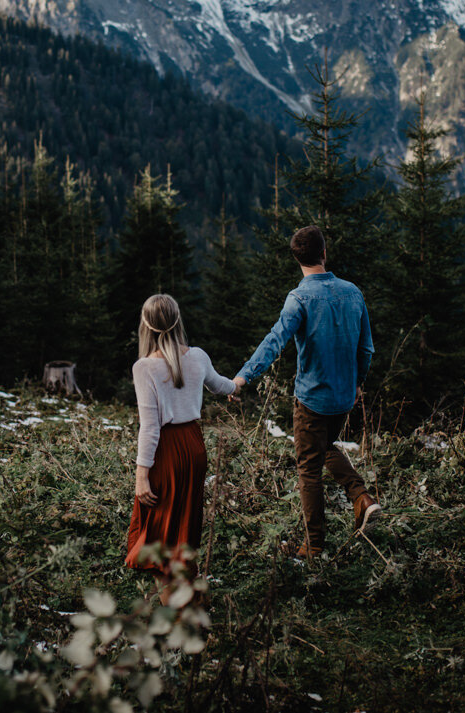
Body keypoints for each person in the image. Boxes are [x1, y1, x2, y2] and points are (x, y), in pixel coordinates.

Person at [235, 225, 379, 557]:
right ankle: (361, 497)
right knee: (324, 446)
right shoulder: (353, 293)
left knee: (308, 467)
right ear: (324, 253)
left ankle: (314, 546)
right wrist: (357, 383)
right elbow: (366, 349)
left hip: (312, 399)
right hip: (343, 398)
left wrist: (244, 377)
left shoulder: (299, 298)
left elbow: (275, 341)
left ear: (297, 258)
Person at [124, 293, 238, 589]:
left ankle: (178, 612)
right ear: (178, 322)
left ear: (145, 326)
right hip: (194, 446)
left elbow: (150, 428)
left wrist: (141, 475)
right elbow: (221, 385)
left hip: (167, 451)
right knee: (185, 521)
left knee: (159, 533)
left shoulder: (144, 367)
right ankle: (190, 590)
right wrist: (239, 383)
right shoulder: (198, 356)